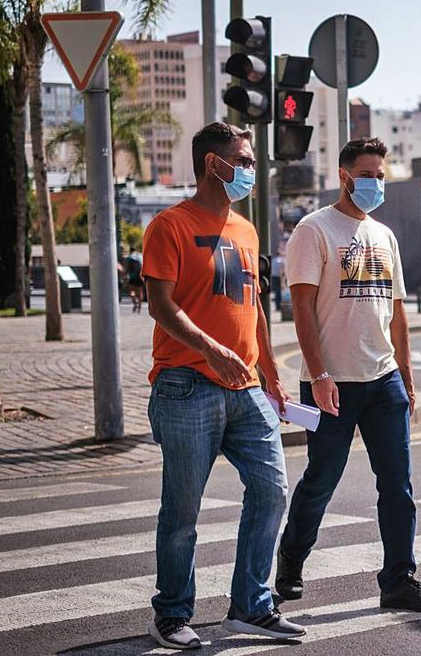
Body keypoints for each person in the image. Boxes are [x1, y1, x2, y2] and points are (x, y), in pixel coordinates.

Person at [142, 122, 305, 649]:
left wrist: (272, 376)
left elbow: (253, 305)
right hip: (186, 385)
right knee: (183, 510)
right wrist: (213, 350)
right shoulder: (169, 225)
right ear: (214, 164)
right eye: (243, 159)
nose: (251, 169)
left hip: (247, 389)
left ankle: (251, 607)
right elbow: (161, 306)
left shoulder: (246, 229)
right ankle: (171, 614)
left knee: (271, 489)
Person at [274, 137, 421, 614]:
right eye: (368, 174)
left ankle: (398, 580)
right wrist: (320, 373)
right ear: (345, 175)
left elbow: (397, 313)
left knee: (398, 485)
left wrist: (407, 378)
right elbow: (302, 310)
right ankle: (291, 558)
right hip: (331, 382)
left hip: (383, 378)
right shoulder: (314, 229)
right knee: (321, 479)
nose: (376, 182)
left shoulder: (384, 235)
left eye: (381, 174)